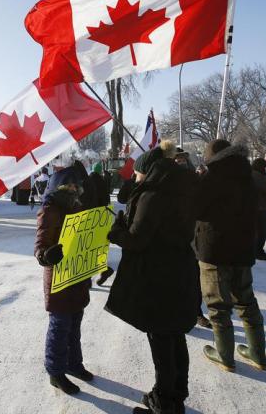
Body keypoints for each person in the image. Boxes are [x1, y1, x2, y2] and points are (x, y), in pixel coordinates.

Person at [106, 140, 198, 414]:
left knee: (161, 339)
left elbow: (138, 240)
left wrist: (116, 232)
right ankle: (175, 396)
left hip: (159, 276)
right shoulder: (182, 187)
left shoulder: (153, 194)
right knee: (174, 336)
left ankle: (163, 403)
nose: (134, 177)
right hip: (179, 269)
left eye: (137, 172)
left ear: (148, 170)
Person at [194, 139, 266, 373]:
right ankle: (258, 353)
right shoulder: (247, 176)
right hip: (243, 247)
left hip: (215, 250)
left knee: (217, 305)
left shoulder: (212, 177)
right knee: (246, 301)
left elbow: (196, 209)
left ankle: (225, 356)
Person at [35, 164, 93, 396]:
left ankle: (73, 363)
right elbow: (41, 244)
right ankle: (55, 372)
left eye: (75, 184)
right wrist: (45, 256)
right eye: (67, 183)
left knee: (75, 324)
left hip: (78, 275)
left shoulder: (78, 206)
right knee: (60, 326)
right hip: (59, 277)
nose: (72, 187)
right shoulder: (50, 209)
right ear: (56, 185)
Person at [174, 148, 212, 329]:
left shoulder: (194, 179)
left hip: (193, 235)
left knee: (194, 278)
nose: (180, 162)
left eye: (183, 159)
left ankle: (196, 313)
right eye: (177, 159)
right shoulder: (166, 181)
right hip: (173, 236)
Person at [251, 158, 266, 261]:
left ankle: (256, 251)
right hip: (258, 207)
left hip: (255, 206)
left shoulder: (253, 174)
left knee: (259, 230)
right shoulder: (257, 176)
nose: (265, 169)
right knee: (262, 230)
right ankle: (258, 252)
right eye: (264, 167)